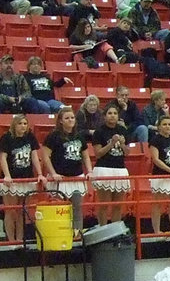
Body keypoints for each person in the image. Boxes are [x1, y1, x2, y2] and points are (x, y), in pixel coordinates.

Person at [41, 106, 91, 235]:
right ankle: (59, 234)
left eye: (72, 117)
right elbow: (45, 156)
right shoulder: (53, 136)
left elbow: (86, 156)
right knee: (59, 209)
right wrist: (53, 173)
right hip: (60, 178)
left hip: (76, 176)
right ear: (60, 121)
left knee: (77, 208)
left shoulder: (79, 136)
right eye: (67, 118)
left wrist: (89, 171)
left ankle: (77, 234)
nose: (70, 120)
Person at [0, 114, 43, 243]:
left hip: (27, 178)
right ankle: (11, 240)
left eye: (25, 123)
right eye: (20, 123)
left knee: (22, 211)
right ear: (14, 125)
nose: (23, 126)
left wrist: (39, 173)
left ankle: (20, 240)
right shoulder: (6, 138)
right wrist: (7, 175)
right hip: (12, 180)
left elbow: (34, 157)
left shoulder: (30, 137)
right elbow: (3, 158)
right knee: (10, 211)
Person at [90, 103, 130, 226]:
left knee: (117, 205)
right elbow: (98, 154)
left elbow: (127, 153)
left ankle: (115, 231)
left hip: (120, 169)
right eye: (110, 113)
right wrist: (111, 143)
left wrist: (122, 144)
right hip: (104, 169)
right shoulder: (99, 132)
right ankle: (102, 229)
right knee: (104, 205)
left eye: (115, 113)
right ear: (104, 116)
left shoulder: (123, 130)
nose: (112, 116)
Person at [147, 114, 170, 234]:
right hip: (161, 175)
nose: (167, 126)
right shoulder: (155, 140)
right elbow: (156, 159)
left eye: (169, 124)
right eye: (164, 124)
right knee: (157, 204)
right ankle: (157, 231)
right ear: (159, 127)